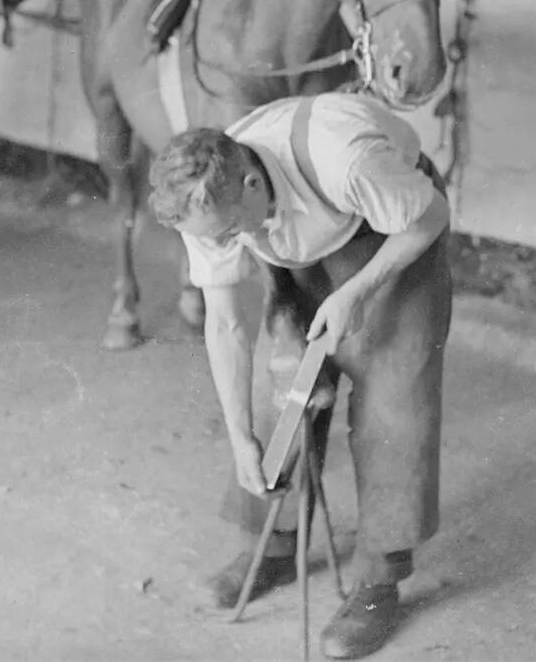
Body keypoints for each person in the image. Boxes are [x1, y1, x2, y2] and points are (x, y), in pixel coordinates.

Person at [148, 90, 452, 659]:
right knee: (283, 379)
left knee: (393, 394)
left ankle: (377, 580)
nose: (217, 246)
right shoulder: (205, 204)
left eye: (225, 232)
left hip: (389, 232)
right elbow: (226, 325)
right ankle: (275, 546)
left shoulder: (346, 158)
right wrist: (239, 437)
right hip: (296, 239)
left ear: (251, 185)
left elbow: (431, 214)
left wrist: (357, 291)